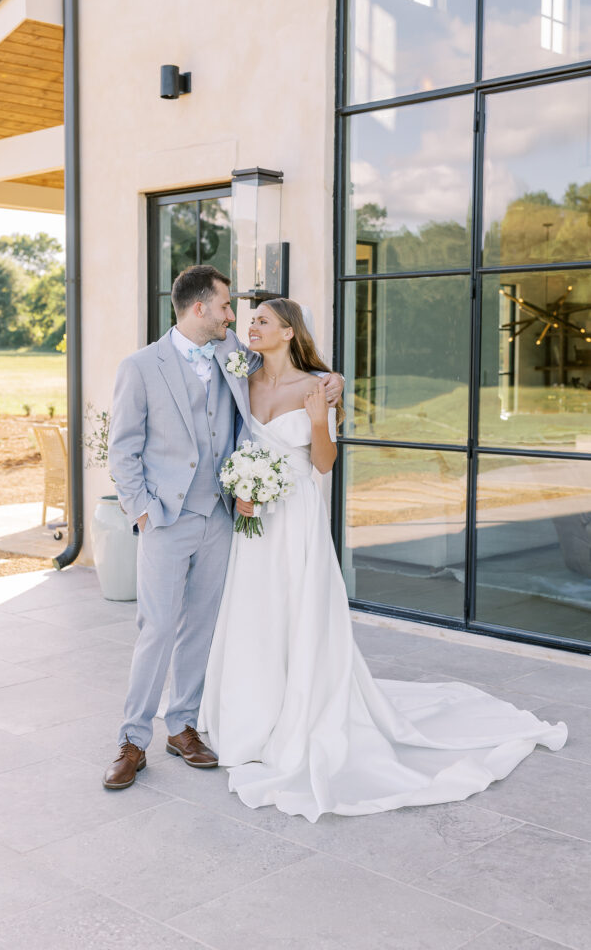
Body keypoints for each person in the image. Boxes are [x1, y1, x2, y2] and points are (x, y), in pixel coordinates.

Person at [199, 299, 568, 823]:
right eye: (249, 319)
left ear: (288, 332)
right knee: (254, 613)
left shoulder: (316, 386)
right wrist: (241, 487)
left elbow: (323, 463)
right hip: (254, 516)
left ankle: (300, 711)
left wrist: (318, 419)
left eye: (261, 320)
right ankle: (251, 712)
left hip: (296, 512)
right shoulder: (243, 376)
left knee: (299, 610)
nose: (249, 326)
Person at [103, 267, 343, 789]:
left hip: (221, 518)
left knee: (202, 627)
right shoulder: (141, 366)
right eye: (226, 306)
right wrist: (141, 511)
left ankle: (183, 725)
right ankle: (132, 739)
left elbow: (292, 357)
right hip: (165, 519)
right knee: (157, 628)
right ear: (198, 309)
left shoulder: (233, 351)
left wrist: (333, 381)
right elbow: (121, 448)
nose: (234, 316)